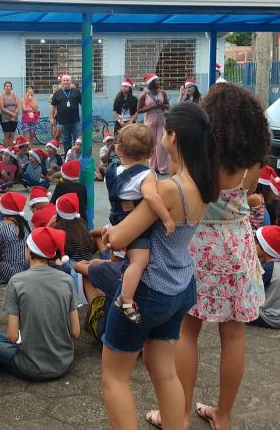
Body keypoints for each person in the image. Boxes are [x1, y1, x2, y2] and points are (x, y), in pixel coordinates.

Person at [100, 101, 219, 430]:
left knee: (115, 377)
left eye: (165, 131)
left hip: (149, 290)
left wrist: (109, 235)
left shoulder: (168, 189)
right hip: (180, 286)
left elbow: (121, 236)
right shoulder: (203, 183)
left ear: (174, 138)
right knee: (164, 371)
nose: (161, 136)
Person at [173, 83, 268, 430]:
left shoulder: (197, 153)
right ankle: (223, 415)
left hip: (197, 243)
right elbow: (250, 193)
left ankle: (178, 416)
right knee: (233, 335)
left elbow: (178, 188)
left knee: (186, 330)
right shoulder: (251, 163)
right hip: (237, 243)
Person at [104, 123, 174, 322]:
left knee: (120, 254)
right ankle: (126, 299)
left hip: (115, 217)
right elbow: (151, 198)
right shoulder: (147, 175)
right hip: (134, 223)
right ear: (152, 153)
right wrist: (166, 218)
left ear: (119, 150)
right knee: (139, 261)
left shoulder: (113, 169)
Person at [0, 226, 80, 380]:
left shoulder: (16, 281)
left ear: (28, 251)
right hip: (63, 363)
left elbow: (13, 337)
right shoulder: (66, 280)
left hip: (29, 367)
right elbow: (75, 332)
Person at [137, 73, 169, 175]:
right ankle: (152, 167)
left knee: (161, 144)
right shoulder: (144, 95)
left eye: (158, 81)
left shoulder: (162, 93)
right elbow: (139, 110)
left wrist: (163, 105)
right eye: (155, 81)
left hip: (161, 121)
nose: (157, 83)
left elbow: (168, 106)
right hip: (149, 122)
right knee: (151, 144)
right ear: (150, 83)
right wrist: (152, 107)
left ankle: (162, 167)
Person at [54, 194, 97, 261]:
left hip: (72, 266)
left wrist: (49, 224)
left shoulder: (57, 229)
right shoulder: (82, 223)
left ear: (58, 212)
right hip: (88, 261)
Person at [50, 73, 82, 152]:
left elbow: (83, 104)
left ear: (70, 81)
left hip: (75, 122)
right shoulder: (57, 93)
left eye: (67, 80)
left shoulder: (76, 91)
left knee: (77, 141)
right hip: (63, 123)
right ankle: (68, 159)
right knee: (66, 142)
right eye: (63, 80)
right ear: (61, 82)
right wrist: (51, 118)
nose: (65, 82)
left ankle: (77, 158)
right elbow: (53, 106)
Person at [0, 81, 20, 148]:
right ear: (4, 88)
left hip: (14, 118)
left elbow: (18, 106)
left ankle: (11, 151)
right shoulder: (1, 96)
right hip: (5, 118)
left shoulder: (15, 95)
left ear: (11, 88)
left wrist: (15, 114)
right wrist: (12, 114)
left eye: (9, 86)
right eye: (6, 86)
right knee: (6, 134)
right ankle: (6, 151)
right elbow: (2, 108)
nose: (8, 87)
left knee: (12, 134)